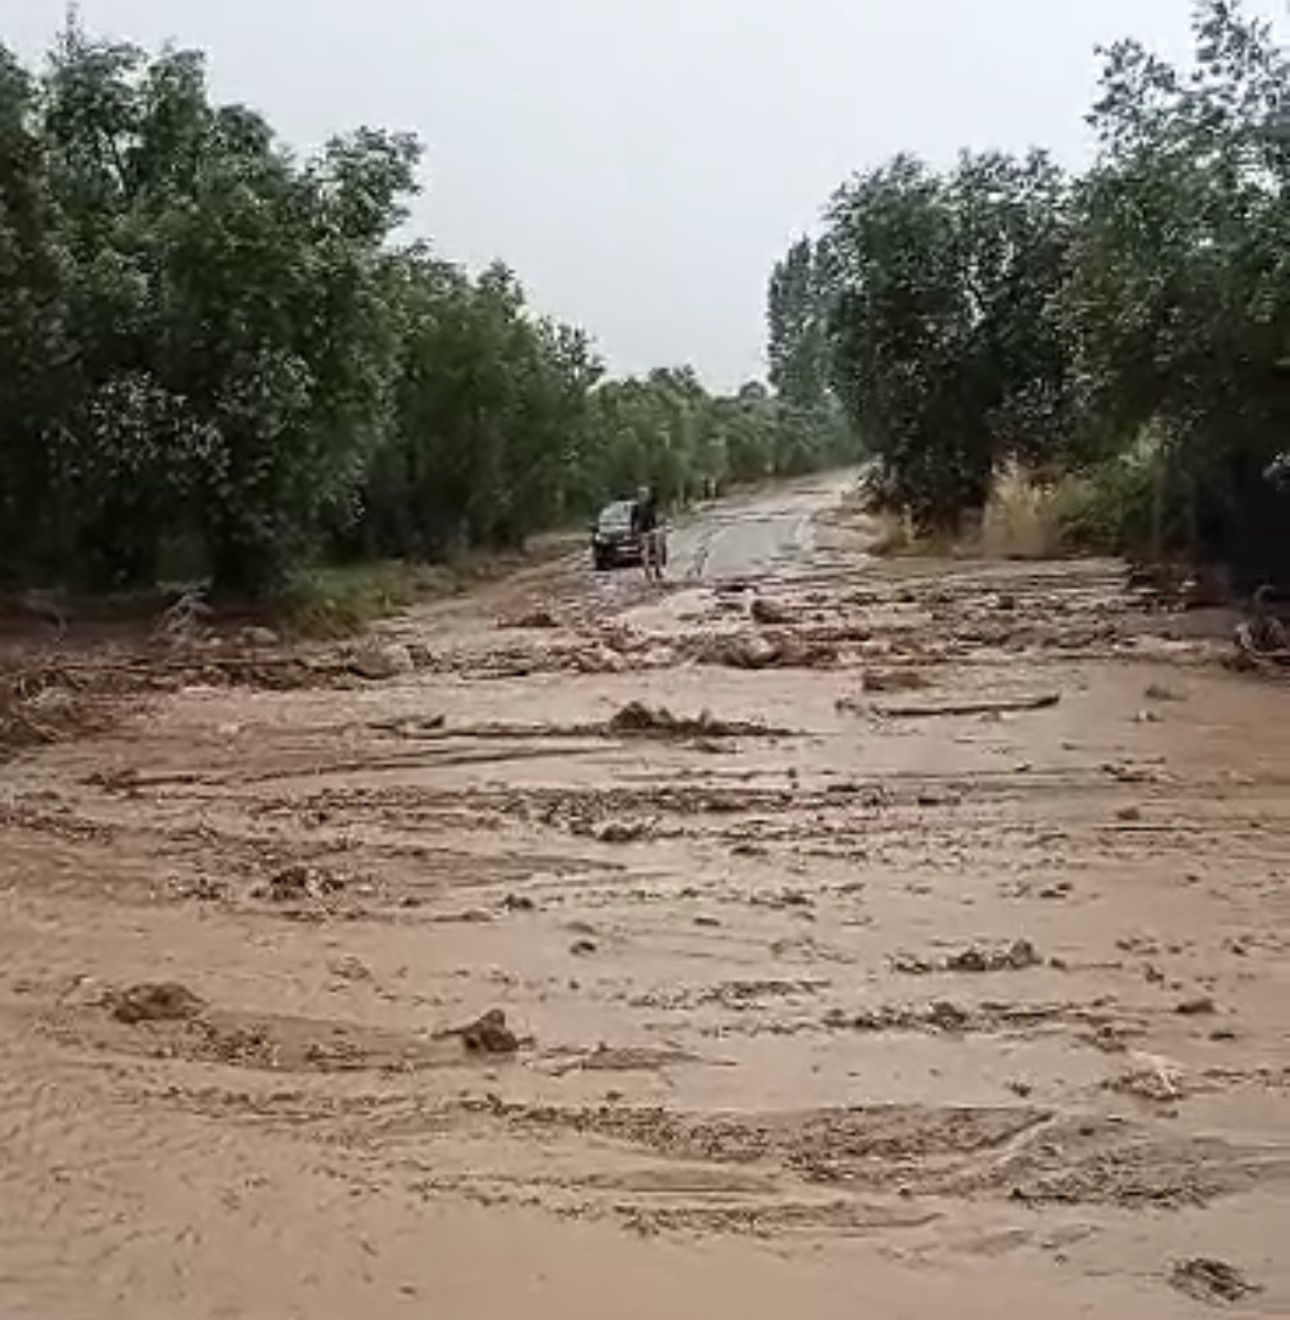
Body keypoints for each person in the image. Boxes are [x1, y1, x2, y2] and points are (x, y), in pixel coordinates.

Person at [632, 485, 663, 582]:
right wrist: (634, 531)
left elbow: (657, 498)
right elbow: (633, 521)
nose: (644, 495)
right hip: (643, 531)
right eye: (642, 493)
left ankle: (657, 570)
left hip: (653, 529)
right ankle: (648, 572)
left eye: (646, 493)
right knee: (645, 551)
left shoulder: (651, 504)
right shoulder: (636, 507)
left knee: (658, 550)